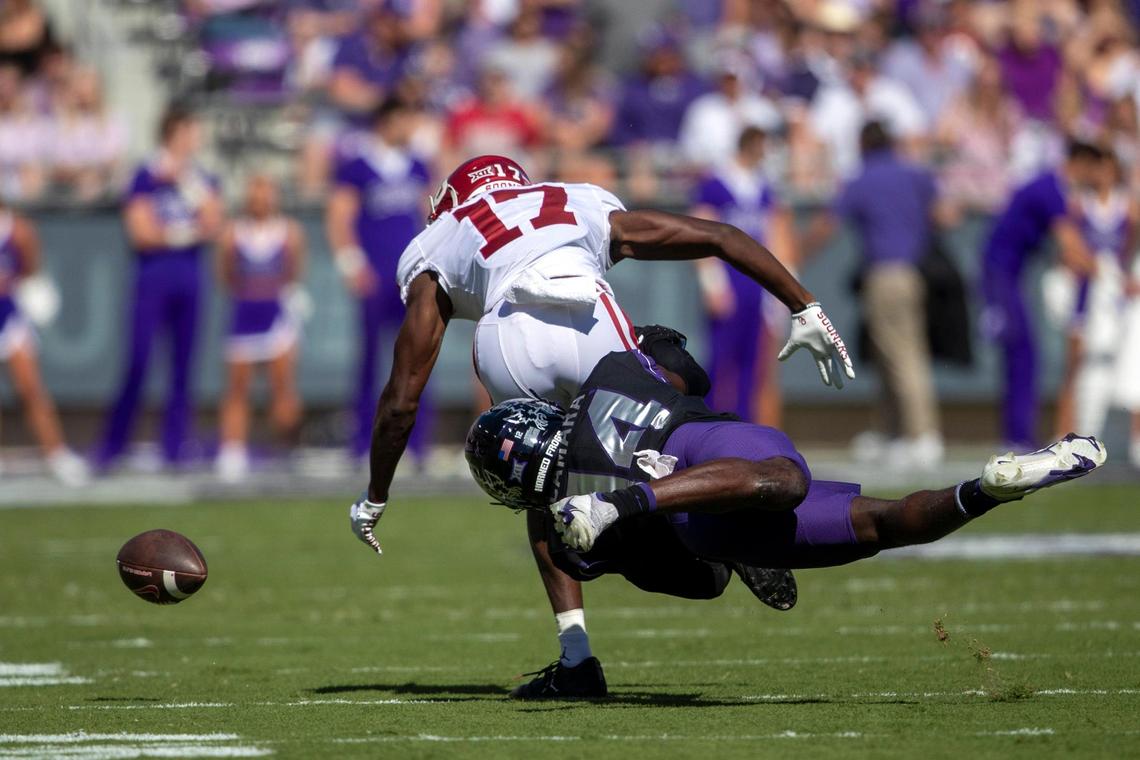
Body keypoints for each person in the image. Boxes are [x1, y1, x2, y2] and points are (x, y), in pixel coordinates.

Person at [347, 153, 855, 699]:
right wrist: (804, 305)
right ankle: (715, 523)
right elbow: (721, 236)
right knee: (668, 402)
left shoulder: (441, 237)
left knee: (538, 480)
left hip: (510, 340)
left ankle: (577, 659)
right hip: (592, 320)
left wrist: (376, 494)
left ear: (452, 199)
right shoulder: (572, 199)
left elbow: (402, 397)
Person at [464, 349, 1106, 696]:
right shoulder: (610, 371)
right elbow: (686, 364)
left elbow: (693, 585)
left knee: (788, 502)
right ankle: (989, 487)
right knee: (881, 523)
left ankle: (667, 518)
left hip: (704, 518)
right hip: (720, 443)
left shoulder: (564, 518)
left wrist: (620, 506)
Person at [808, 122, 943, 468]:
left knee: (903, 355)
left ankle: (923, 435)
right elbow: (944, 215)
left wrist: (795, 253)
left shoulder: (863, 179)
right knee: (888, 355)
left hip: (886, 272)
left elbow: (828, 224)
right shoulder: (914, 174)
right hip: (912, 272)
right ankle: (894, 431)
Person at [96, 104, 223, 472]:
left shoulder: (199, 178)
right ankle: (113, 444)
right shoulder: (145, 174)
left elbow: (214, 223)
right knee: (138, 360)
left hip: (189, 276)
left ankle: (176, 445)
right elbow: (141, 233)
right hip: (153, 277)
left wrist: (186, 202)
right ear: (175, 132)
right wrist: (186, 232)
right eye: (191, 130)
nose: (196, 138)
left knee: (184, 366)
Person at [325, 96, 433, 466]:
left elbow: (429, 215)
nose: (411, 126)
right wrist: (350, 263)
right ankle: (362, 444)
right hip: (375, 274)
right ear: (387, 121)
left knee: (418, 358)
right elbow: (339, 216)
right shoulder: (357, 166)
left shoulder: (418, 164)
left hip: (413, 279)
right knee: (370, 361)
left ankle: (417, 445)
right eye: (405, 118)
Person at [981, 141, 1101, 450]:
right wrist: (1102, 266)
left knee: (1021, 352)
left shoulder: (1050, 188)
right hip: (1000, 272)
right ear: (1081, 163)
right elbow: (1071, 245)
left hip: (1010, 271)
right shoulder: (1051, 190)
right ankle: (1018, 436)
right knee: (1022, 352)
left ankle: (1017, 433)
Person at [690, 126, 797, 422]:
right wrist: (712, 283)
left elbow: (776, 236)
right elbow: (701, 233)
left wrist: (780, 290)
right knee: (721, 360)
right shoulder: (716, 183)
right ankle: (711, 426)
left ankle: (747, 429)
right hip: (730, 282)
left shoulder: (763, 187)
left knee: (755, 362)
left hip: (757, 286)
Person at [215, 175, 307, 483]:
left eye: (266, 195)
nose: (261, 202)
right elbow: (225, 273)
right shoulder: (232, 232)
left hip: (276, 314)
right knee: (237, 386)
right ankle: (233, 450)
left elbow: (294, 271)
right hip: (244, 313)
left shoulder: (289, 232)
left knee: (282, 385)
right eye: (256, 195)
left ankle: (286, 447)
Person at [0, 202, 87, 485]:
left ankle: (56, 455)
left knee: (31, 388)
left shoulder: (19, 230)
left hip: (8, 316)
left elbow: (29, 270)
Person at [1053, 154, 1137, 440]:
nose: (1100, 173)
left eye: (1106, 167)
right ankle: (1064, 433)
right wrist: (1089, 267)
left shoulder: (1127, 207)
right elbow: (1067, 250)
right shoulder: (1079, 205)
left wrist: (1122, 276)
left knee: (1126, 364)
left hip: (1114, 296)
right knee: (1074, 363)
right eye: (1096, 166)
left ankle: (1123, 437)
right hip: (1085, 292)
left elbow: (1129, 249)